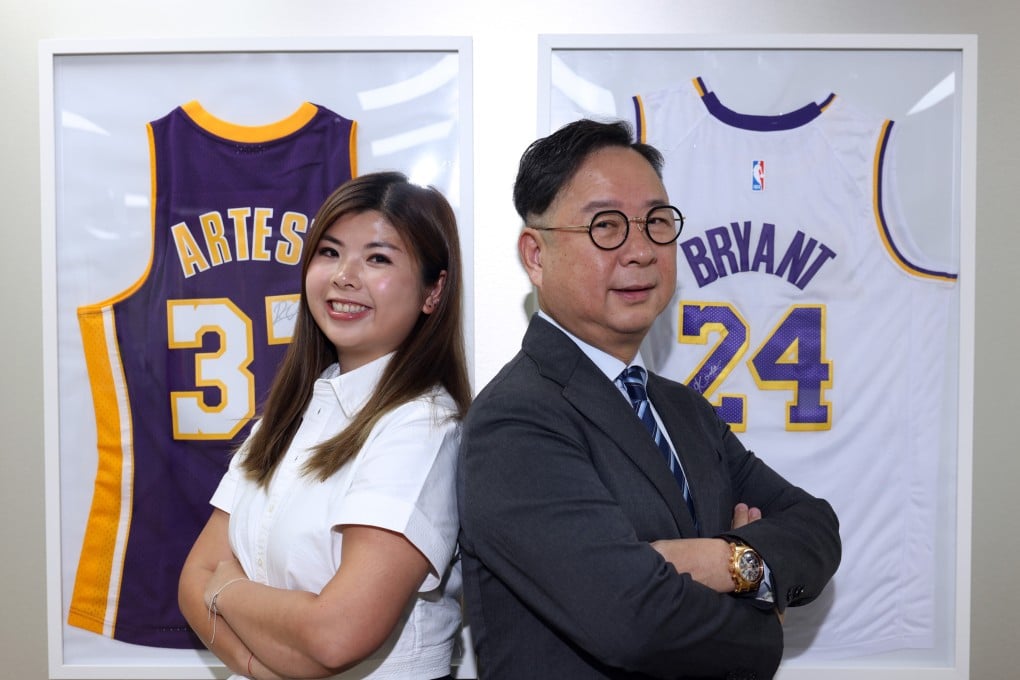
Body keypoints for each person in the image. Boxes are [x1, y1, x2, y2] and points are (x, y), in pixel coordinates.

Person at [457, 119, 841, 679]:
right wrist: (764, 620)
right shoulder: (515, 421)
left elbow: (815, 528)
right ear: (535, 255)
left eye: (657, 222)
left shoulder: (683, 410)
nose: (640, 250)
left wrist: (725, 560)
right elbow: (632, 622)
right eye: (605, 226)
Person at [179, 171, 471, 680]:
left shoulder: (422, 424)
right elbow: (191, 581)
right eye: (330, 252)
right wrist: (257, 665)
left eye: (378, 259)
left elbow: (336, 637)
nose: (344, 276)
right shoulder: (285, 417)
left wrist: (225, 588)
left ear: (434, 290)